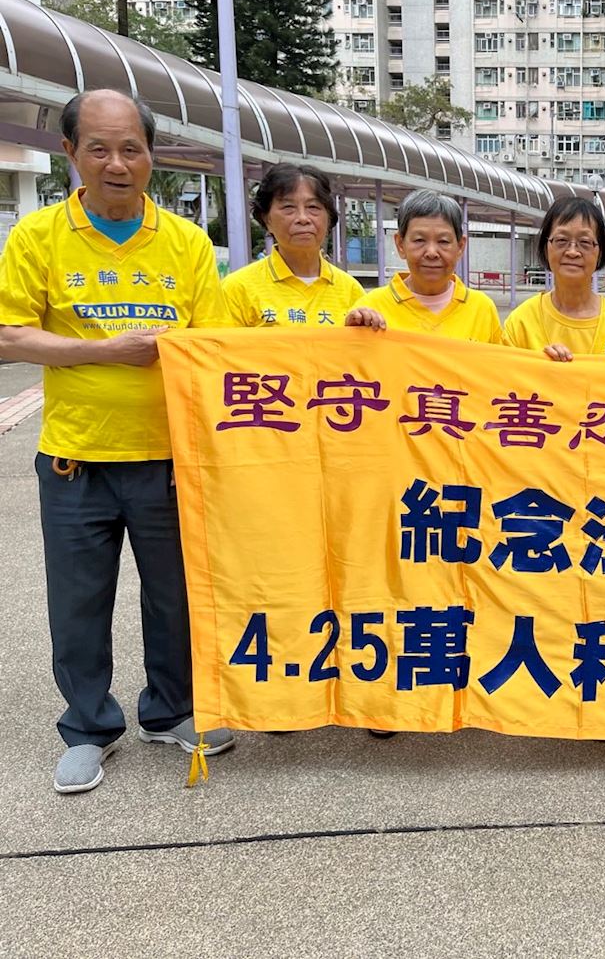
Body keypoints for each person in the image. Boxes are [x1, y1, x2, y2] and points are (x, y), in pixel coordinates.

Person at [0, 89, 234, 794]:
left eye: (132, 148)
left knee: (175, 599)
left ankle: (170, 711)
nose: (117, 164)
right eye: (98, 148)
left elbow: (213, 346)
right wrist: (106, 351)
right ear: (69, 152)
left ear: (151, 156)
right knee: (78, 604)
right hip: (76, 459)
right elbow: (9, 335)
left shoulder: (186, 243)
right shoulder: (39, 236)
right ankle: (88, 728)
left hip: (168, 459)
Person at [222, 163, 382, 331]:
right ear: (266, 219)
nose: (303, 218)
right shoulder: (237, 289)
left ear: (328, 218)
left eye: (313, 207)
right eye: (288, 207)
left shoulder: (351, 290)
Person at [503, 196, 605, 359]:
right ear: (546, 248)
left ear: (599, 252)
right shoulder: (520, 324)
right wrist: (542, 366)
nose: (572, 252)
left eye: (584, 242)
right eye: (561, 240)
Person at [349, 189, 501, 342]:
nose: (432, 253)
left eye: (443, 241)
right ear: (400, 244)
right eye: (419, 240)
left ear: (460, 246)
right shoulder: (372, 308)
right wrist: (351, 334)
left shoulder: (482, 309)